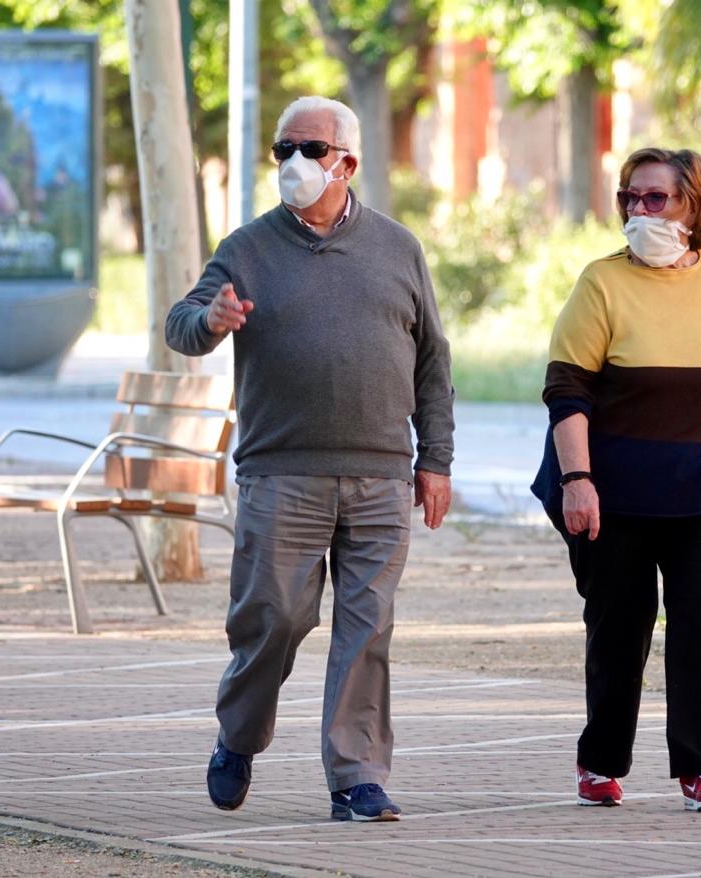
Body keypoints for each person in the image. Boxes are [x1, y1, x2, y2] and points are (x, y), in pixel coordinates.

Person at [166, 96, 455, 823]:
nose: (294, 162)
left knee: (367, 629)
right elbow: (181, 325)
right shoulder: (247, 247)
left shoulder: (398, 248)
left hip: (381, 475)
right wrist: (213, 319)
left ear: (348, 162)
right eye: (282, 148)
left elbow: (431, 360)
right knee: (272, 620)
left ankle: (356, 777)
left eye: (311, 149)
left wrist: (436, 460)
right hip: (280, 474)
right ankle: (239, 735)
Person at [531, 147, 701, 813]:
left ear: (693, 206)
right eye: (630, 198)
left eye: (657, 198)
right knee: (619, 628)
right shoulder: (601, 282)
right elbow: (568, 394)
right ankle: (601, 761)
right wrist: (577, 480)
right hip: (612, 490)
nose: (639, 210)